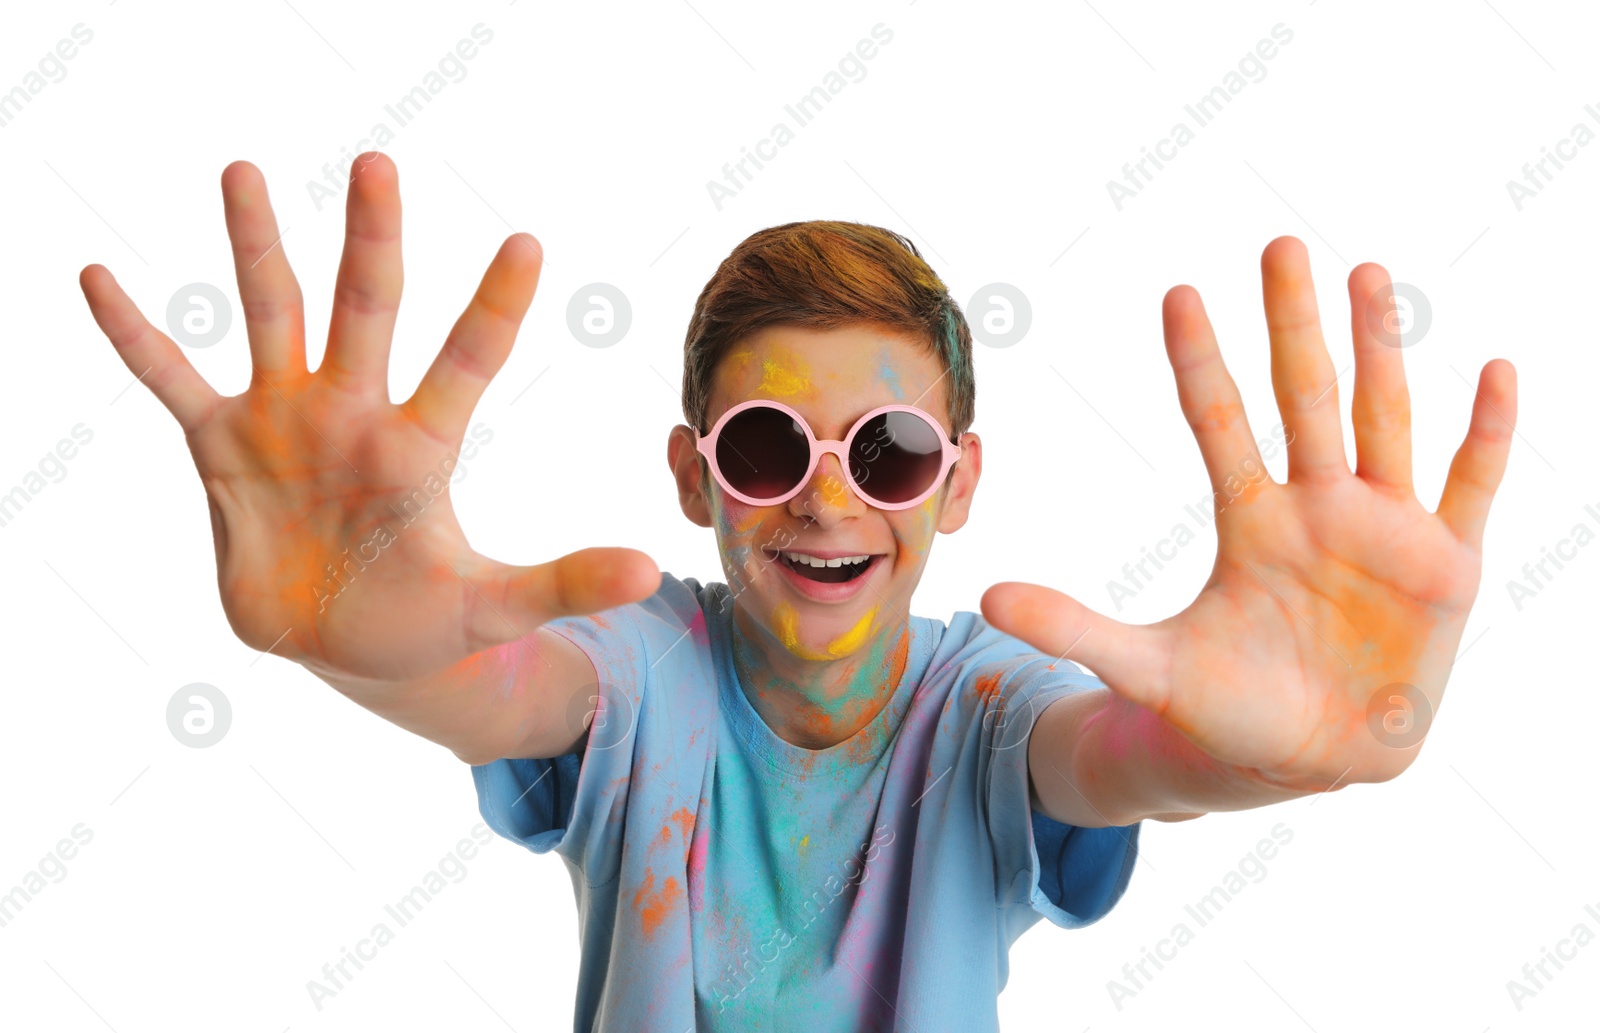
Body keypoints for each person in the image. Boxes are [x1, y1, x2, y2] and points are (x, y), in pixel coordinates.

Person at [78, 153, 1516, 1031]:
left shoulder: (988, 703)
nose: (828, 498)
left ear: (956, 484)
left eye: (888, 454)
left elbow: (1126, 757)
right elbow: (503, 687)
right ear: (695, 476)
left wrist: (1286, 748)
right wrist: (356, 636)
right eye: (768, 448)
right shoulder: (645, 663)